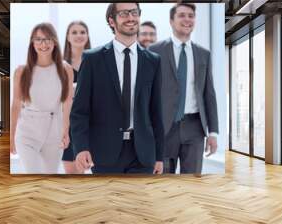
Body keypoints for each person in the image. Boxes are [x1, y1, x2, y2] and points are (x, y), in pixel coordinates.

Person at [70, 3, 164, 174]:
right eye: (124, 13)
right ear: (111, 21)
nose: (130, 17)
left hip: (143, 154)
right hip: (104, 152)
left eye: (134, 12)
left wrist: (159, 156)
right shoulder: (93, 59)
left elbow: (156, 112)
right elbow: (80, 111)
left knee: (138, 200)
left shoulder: (153, 61)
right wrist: (81, 147)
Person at [149, 3, 219, 174]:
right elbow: (148, 93)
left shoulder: (204, 54)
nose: (187, 19)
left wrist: (213, 132)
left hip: (194, 127)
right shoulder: (154, 51)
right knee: (163, 182)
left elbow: (209, 94)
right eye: (182, 15)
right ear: (171, 21)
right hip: (164, 127)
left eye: (191, 15)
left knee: (192, 181)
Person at [10, 22, 74, 174]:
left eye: (47, 39)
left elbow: (67, 102)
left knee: (49, 176)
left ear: (54, 42)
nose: (43, 44)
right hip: (27, 131)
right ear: (32, 43)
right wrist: (11, 136)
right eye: (38, 39)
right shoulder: (21, 71)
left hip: (54, 129)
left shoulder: (65, 69)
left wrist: (66, 130)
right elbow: (16, 104)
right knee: (33, 174)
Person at [62, 21, 91, 174]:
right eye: (74, 32)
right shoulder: (60, 65)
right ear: (67, 37)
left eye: (82, 32)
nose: (79, 35)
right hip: (68, 124)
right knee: (72, 174)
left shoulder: (96, 62)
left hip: (92, 123)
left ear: (87, 36)